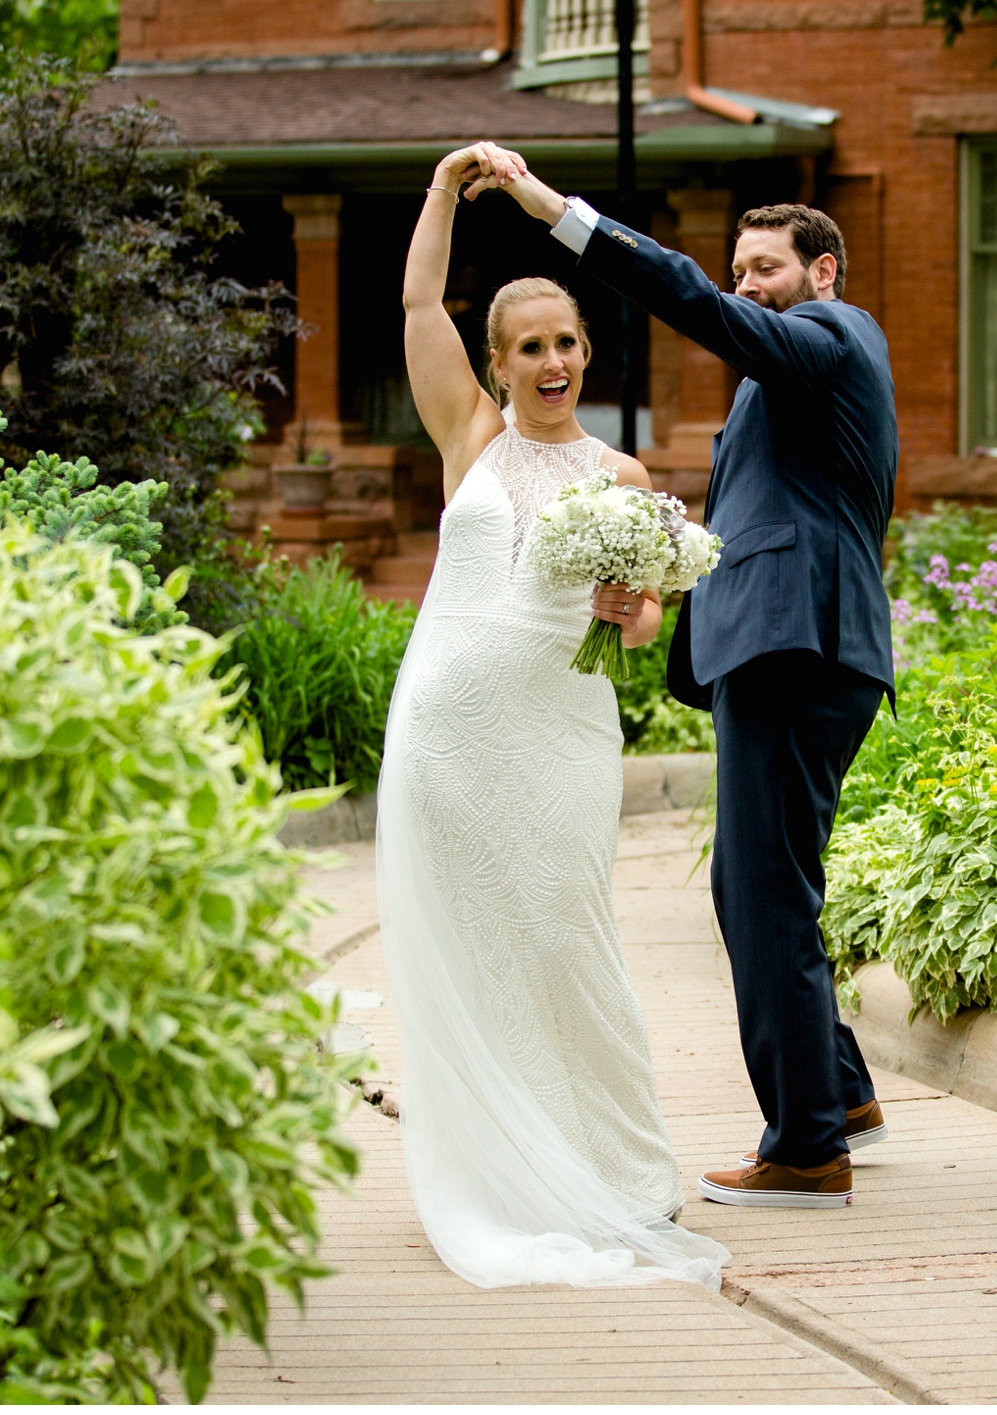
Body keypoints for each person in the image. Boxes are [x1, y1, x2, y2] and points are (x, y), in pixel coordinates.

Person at [472, 143, 899, 1212]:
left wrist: (556, 213)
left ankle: (804, 1146)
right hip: (795, 643)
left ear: (824, 272)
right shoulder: (790, 378)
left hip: (797, 646)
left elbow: (694, 304)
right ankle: (836, 1091)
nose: (748, 284)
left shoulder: (830, 336)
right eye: (741, 267)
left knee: (759, 891)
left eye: (767, 266)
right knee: (762, 885)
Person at [371, 141, 728, 1288]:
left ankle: (620, 1172)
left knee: (567, 936)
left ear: (586, 352)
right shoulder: (468, 438)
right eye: (530, 346)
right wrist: (445, 189)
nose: (553, 360)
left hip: (562, 733)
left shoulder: (624, 481)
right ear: (500, 361)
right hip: (449, 729)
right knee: (478, 946)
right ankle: (493, 1167)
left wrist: (631, 607)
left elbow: (633, 630)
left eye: (567, 341)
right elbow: (418, 294)